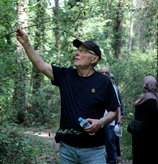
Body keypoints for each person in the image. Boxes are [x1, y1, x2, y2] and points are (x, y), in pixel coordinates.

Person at [16, 28, 119, 164]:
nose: (77, 53)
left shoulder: (103, 81)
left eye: (83, 51)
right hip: (67, 150)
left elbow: (114, 111)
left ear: (94, 59)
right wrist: (26, 43)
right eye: (77, 50)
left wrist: (100, 123)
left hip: (94, 150)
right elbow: (40, 65)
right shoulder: (66, 75)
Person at [99, 67, 123, 164]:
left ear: (109, 75)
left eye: (106, 73)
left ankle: (112, 161)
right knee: (99, 142)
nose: (104, 74)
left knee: (110, 141)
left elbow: (118, 104)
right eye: (102, 72)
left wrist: (120, 117)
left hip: (110, 120)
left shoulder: (113, 88)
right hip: (96, 119)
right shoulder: (94, 84)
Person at [132, 76, 158, 164]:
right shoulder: (150, 98)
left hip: (139, 131)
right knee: (146, 154)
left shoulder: (144, 97)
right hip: (146, 133)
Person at [109, 73, 124, 159]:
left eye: (112, 78)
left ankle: (114, 157)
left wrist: (121, 116)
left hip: (114, 117)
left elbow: (119, 104)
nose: (111, 79)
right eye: (110, 78)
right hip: (105, 117)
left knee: (114, 137)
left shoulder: (116, 89)